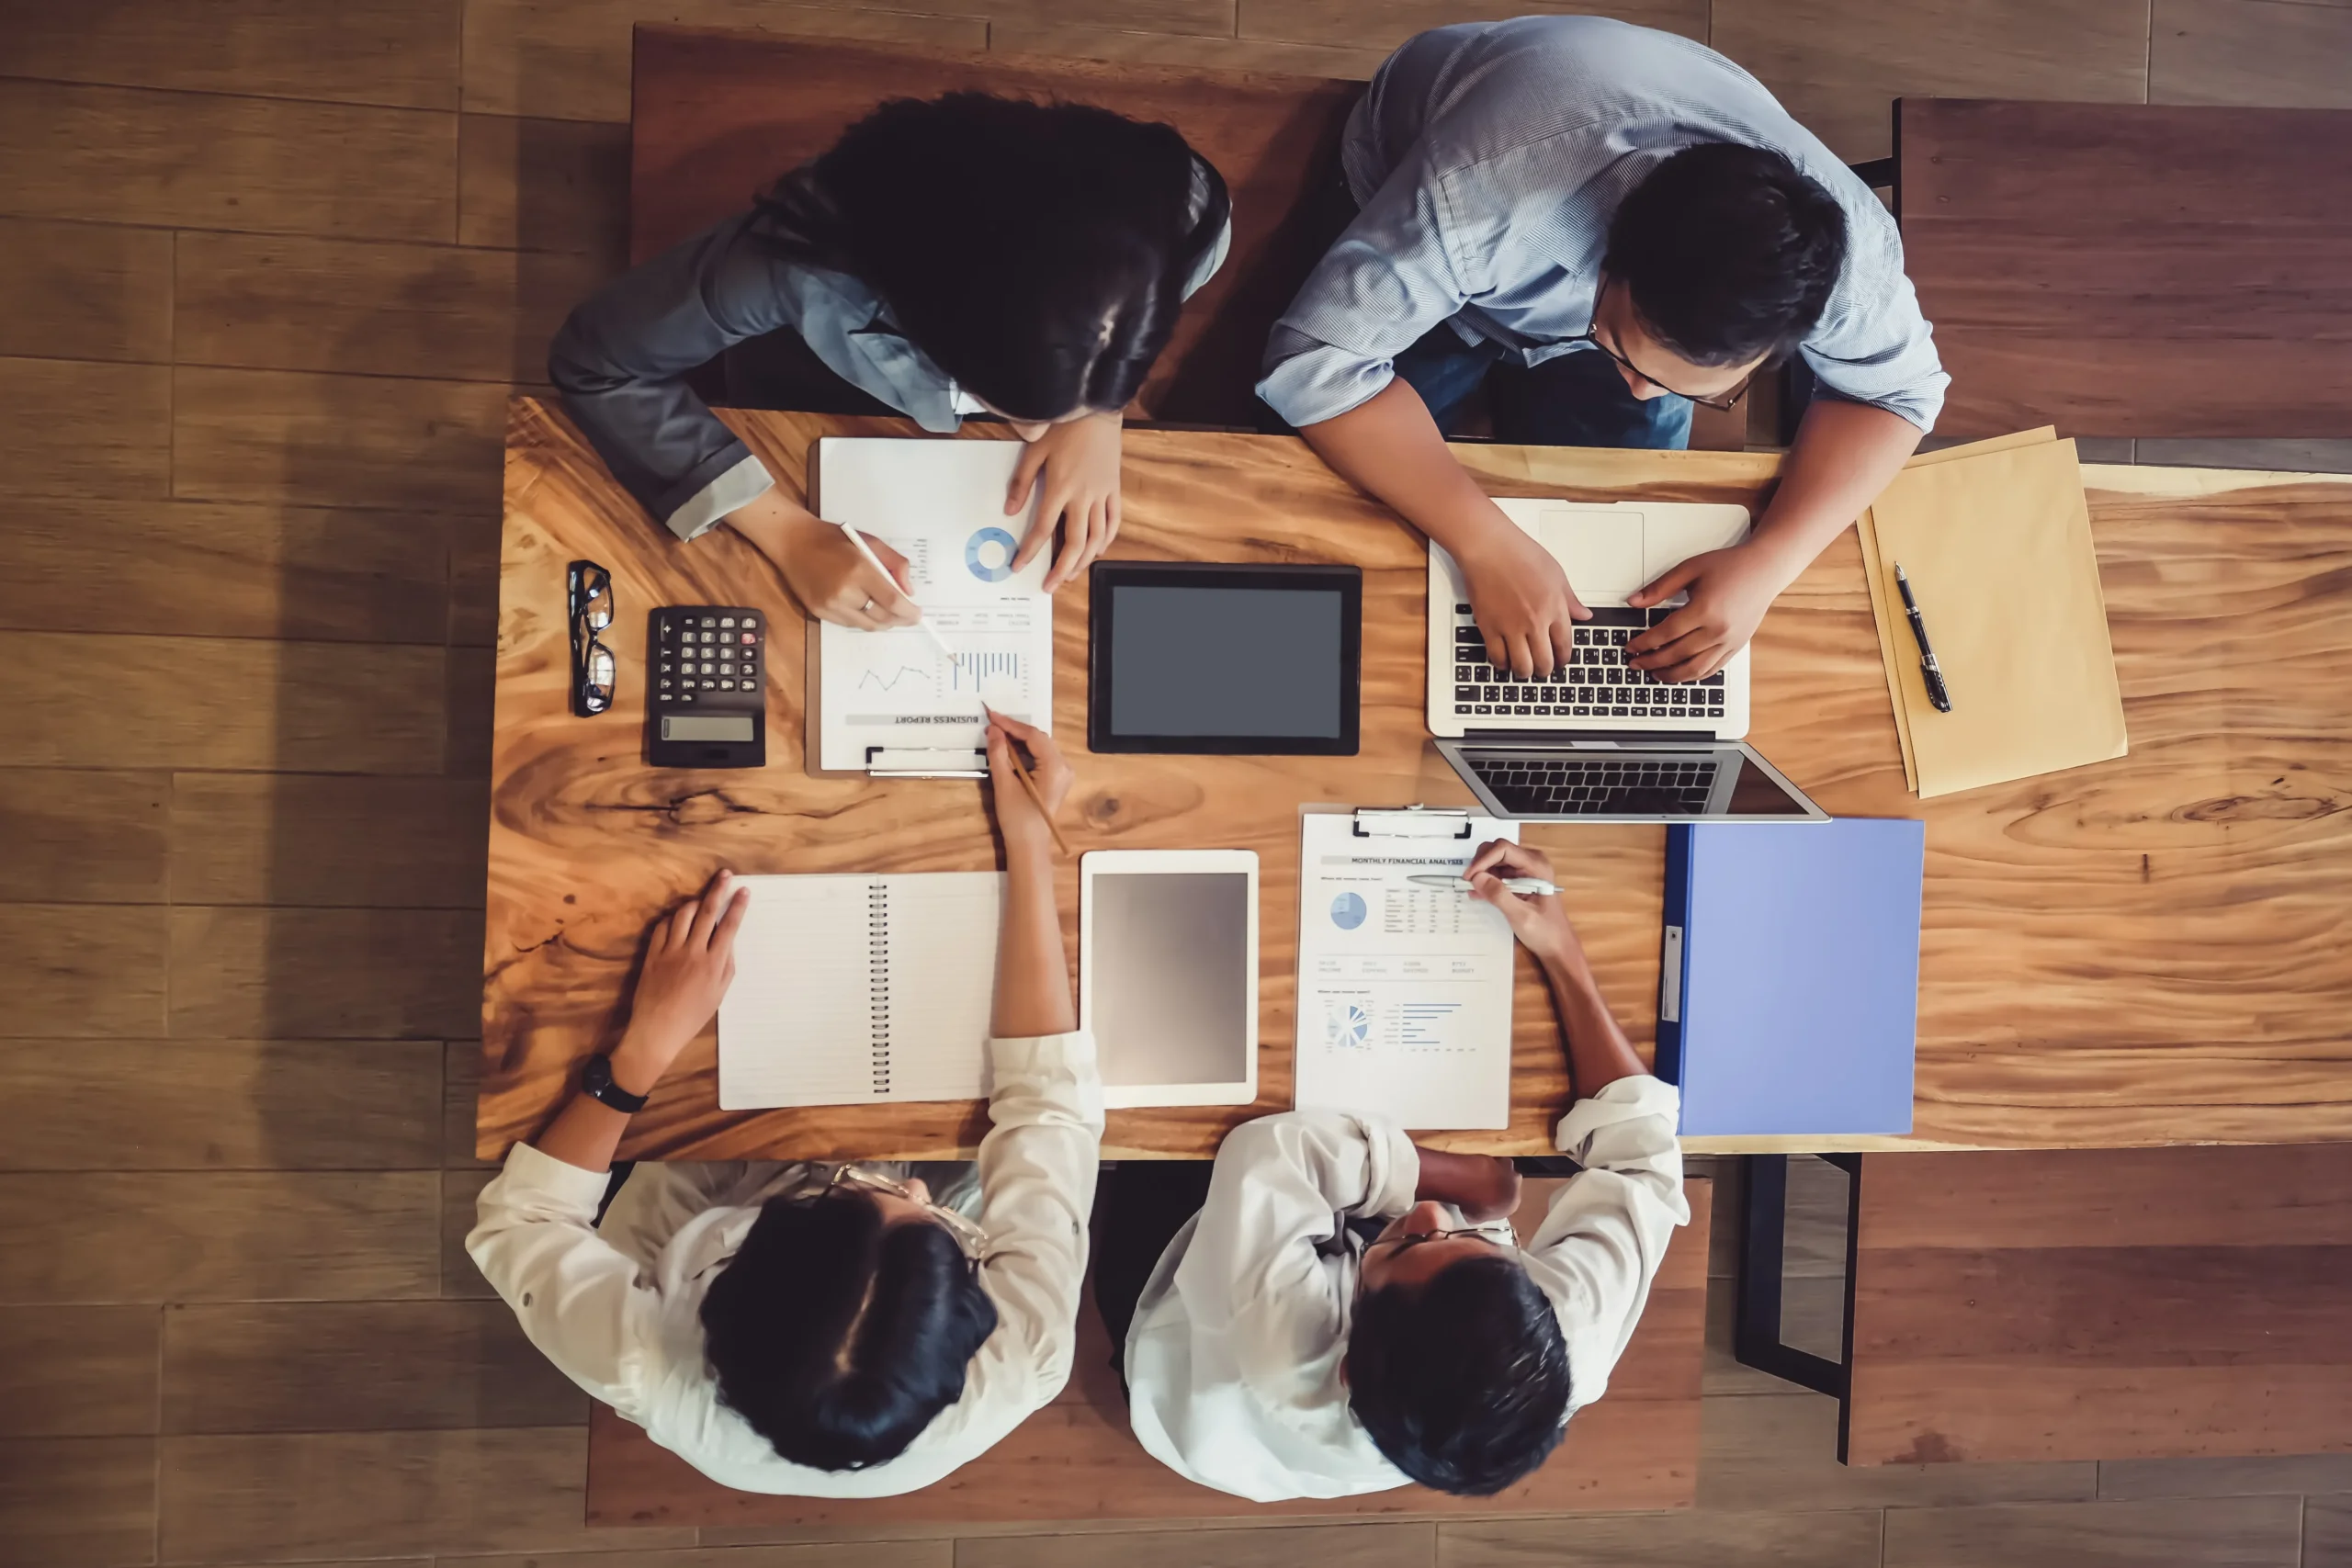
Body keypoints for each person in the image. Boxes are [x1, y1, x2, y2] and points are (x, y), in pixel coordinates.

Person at [468, 711, 1099, 1495]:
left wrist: (642, 1051)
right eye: (924, 1218)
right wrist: (1030, 842)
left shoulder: (640, 1359)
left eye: (856, 1195)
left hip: (717, 1181)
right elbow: (1047, 1106)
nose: (911, 1186)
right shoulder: (1025, 1356)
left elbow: (518, 1221)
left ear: (732, 1275)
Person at [1260, 17, 1948, 684]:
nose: (1640, 390)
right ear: (1606, 259)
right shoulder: (1483, 193)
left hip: (1558, 188)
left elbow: (1901, 396)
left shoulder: (1848, 265)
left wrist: (1773, 560)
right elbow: (1312, 360)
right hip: (1412, 169)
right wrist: (1482, 539)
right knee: (1297, 492)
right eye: (1621, 349)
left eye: (1702, 388)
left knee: (1624, 547)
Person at [1098, 840, 1686, 1500]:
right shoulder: (1564, 1335)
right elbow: (1643, 1152)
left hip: (1184, 1362)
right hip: (1340, 1331)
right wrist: (1560, 949)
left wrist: (1470, 1186)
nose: (1431, 1218)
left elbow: (1266, 1153)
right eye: (1475, 1243)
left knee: (1177, 1116)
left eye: (1410, 1242)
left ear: (1345, 1361)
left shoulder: (1285, 1348)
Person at [551, 94, 1232, 626]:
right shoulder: (796, 268)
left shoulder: (1185, 209)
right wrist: (789, 538)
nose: (1032, 433)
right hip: (808, 389)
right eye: (1010, 407)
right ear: (930, 322)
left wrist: (1096, 409)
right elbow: (598, 362)